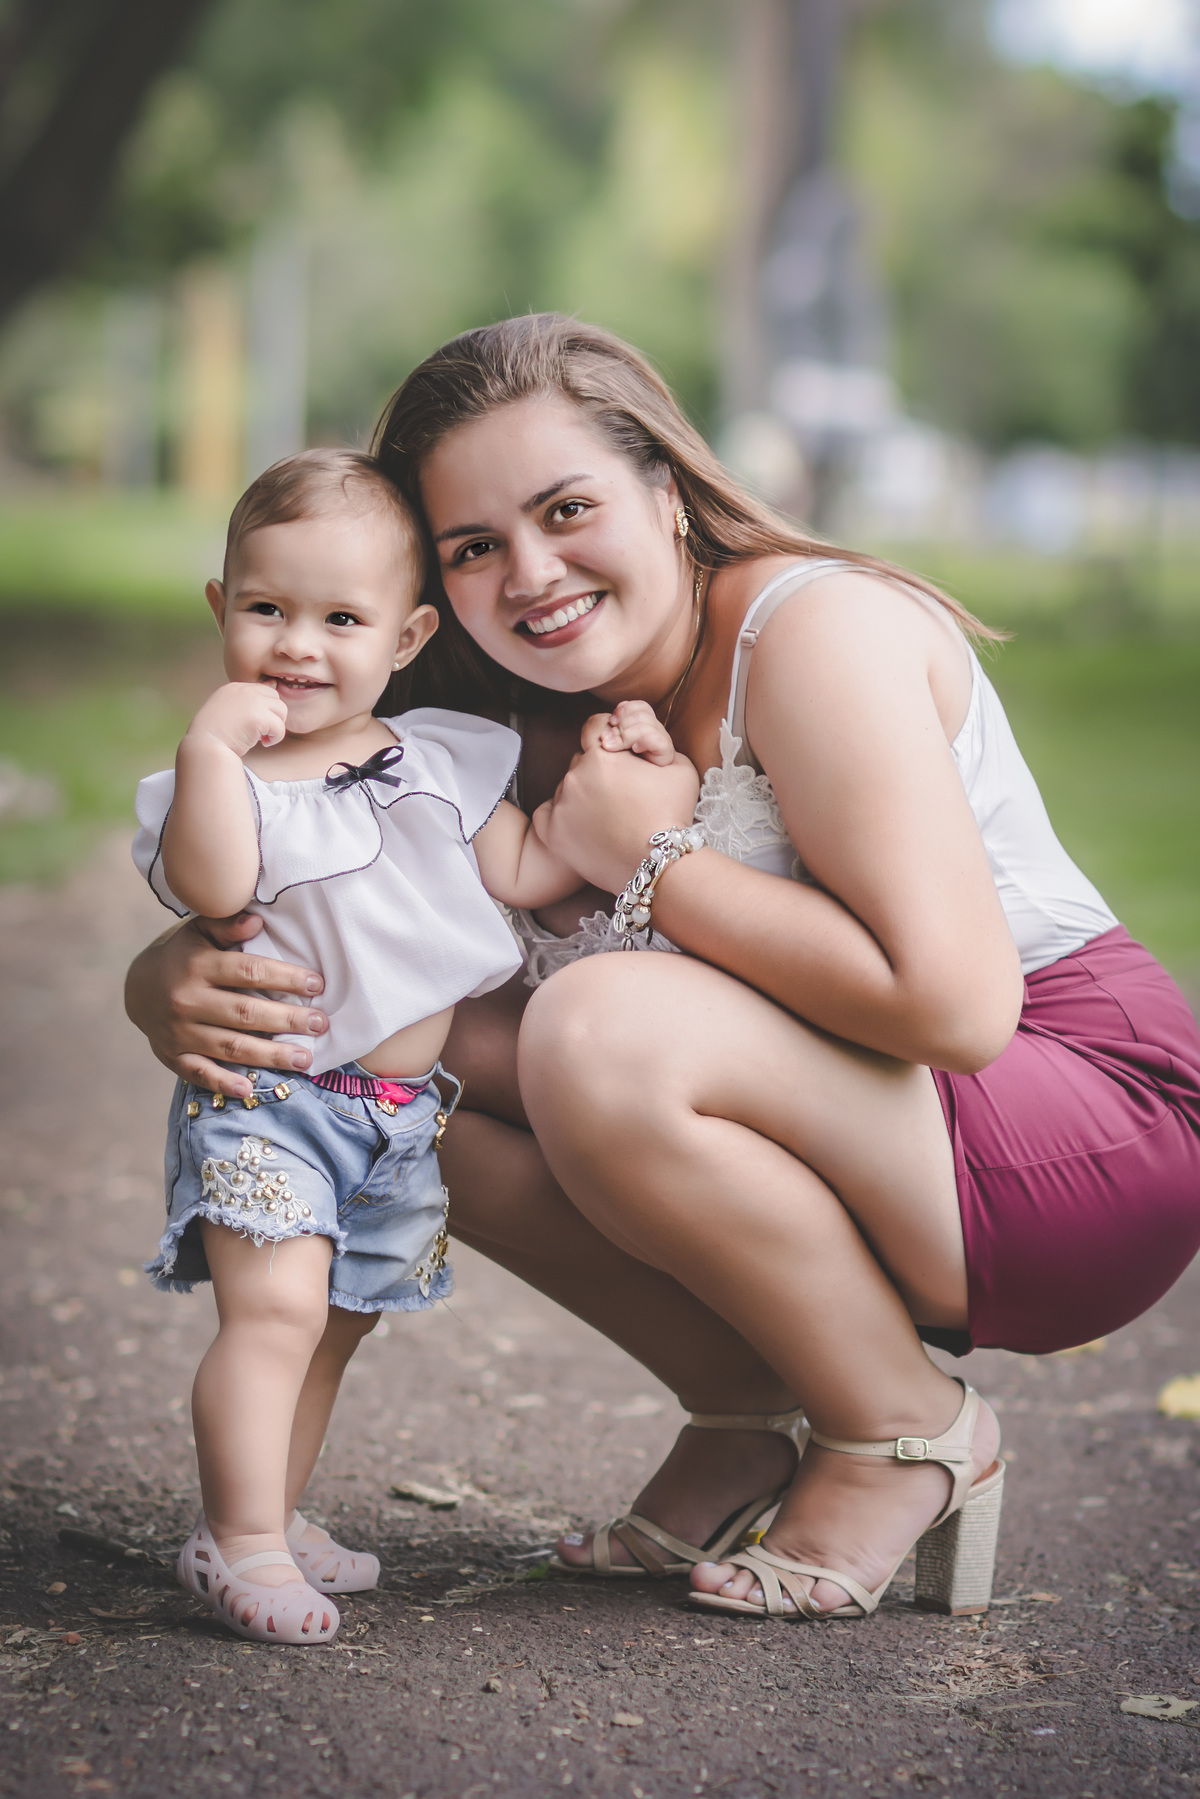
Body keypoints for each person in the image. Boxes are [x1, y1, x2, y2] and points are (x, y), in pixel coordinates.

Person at [126, 318, 1200, 1626]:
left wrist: (650, 858)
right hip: (900, 1136)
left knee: (598, 1027)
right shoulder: (499, 723)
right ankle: (747, 1404)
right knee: (396, 1088)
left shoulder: (813, 635)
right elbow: (334, 912)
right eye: (473, 545)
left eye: (567, 508)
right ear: (427, 593)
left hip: (1077, 1127)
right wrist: (167, 973)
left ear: (669, 489)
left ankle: (902, 1425)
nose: (532, 572)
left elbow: (960, 1007)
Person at [132, 445, 683, 1644]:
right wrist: (211, 753)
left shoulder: (434, 756)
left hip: (393, 1113)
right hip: (270, 1101)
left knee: (332, 1322)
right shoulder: (224, 787)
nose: (298, 645)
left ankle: (271, 1505)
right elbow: (211, 884)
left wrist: (631, 778)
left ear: (405, 634)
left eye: (341, 617)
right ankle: (240, 1540)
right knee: (272, 1316)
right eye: (268, 609)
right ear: (224, 608)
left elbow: (533, 868)